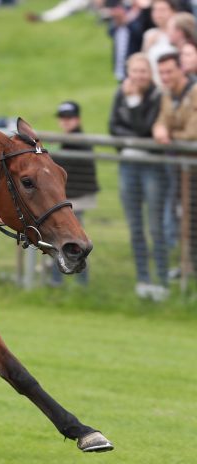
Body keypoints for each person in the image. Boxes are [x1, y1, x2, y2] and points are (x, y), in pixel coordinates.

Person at [109, 53, 169, 300]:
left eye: (144, 71)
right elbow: (113, 127)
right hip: (129, 165)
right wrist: (133, 135)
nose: (139, 75)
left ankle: (162, 281)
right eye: (135, 71)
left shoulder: (156, 95)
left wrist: (133, 103)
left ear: (150, 72)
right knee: (135, 227)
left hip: (153, 167)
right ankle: (143, 279)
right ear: (128, 71)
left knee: (156, 226)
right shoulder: (119, 93)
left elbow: (146, 128)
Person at [152, 52, 197, 281]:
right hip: (182, 169)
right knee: (186, 219)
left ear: (182, 69)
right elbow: (162, 119)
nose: (165, 76)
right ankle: (188, 266)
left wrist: (169, 133)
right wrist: (159, 128)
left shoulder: (195, 92)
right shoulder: (168, 95)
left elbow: (193, 133)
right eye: (161, 73)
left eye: (169, 71)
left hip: (193, 166)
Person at [49, 101, 99, 286]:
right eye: (63, 118)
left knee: (71, 240)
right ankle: (61, 280)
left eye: (69, 117)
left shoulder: (78, 141)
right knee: (66, 240)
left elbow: (63, 166)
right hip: (69, 198)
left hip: (76, 198)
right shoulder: (67, 140)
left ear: (77, 118)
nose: (66, 121)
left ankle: (71, 281)